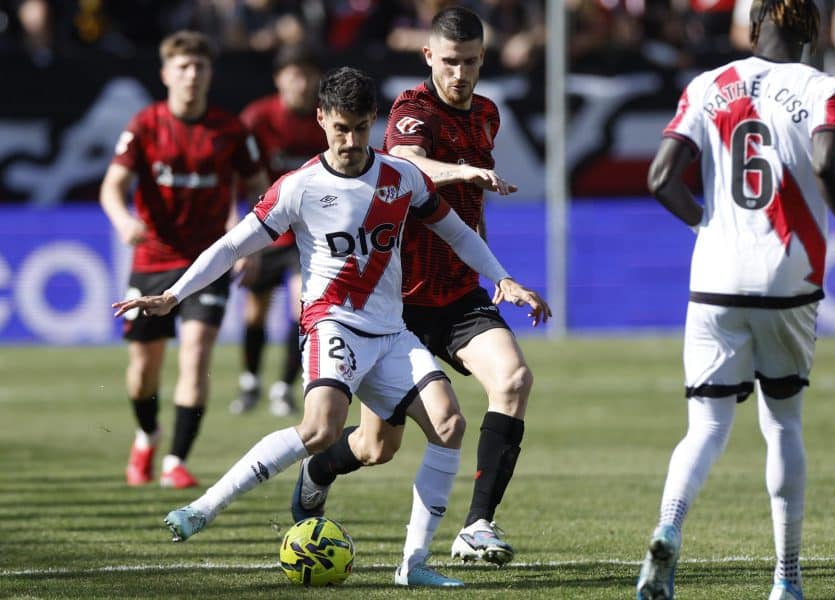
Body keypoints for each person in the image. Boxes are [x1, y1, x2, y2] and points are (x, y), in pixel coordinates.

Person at [111, 66, 549, 587]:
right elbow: (233, 244)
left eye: (361, 128)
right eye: (340, 128)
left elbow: (457, 233)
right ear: (321, 120)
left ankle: (413, 566)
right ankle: (203, 508)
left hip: (390, 334)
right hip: (331, 326)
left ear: (372, 122)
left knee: (448, 424)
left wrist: (504, 278)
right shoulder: (298, 188)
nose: (350, 141)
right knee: (321, 428)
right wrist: (175, 294)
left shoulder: (401, 177)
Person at [634, 1, 835, 599]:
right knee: (782, 424)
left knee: (704, 425)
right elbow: (829, 161)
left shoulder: (710, 84)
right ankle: (786, 581)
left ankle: (668, 530)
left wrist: (705, 226)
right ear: (815, 29)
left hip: (714, 277)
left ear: (754, 27)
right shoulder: (829, 89)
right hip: (788, 276)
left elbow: (658, 179)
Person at [291, 6, 537, 568]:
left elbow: (471, 215)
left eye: (471, 61)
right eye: (450, 61)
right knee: (378, 447)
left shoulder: (488, 115)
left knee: (515, 379)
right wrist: (464, 171)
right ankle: (321, 466)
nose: (460, 73)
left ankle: (476, 526)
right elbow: (409, 163)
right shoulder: (411, 108)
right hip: (396, 304)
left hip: (458, 294)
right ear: (429, 57)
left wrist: (498, 274)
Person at [100, 30, 268, 489]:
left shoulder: (231, 131)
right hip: (152, 261)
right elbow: (112, 185)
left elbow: (258, 190)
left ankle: (175, 460)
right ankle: (147, 435)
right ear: (166, 74)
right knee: (143, 371)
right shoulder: (144, 125)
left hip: (207, 263)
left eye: (200, 67)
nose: (192, 75)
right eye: (183, 67)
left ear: (210, 74)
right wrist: (122, 221)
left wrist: (247, 243)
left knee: (195, 356)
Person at [231, 43, 327, 417]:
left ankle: (284, 386)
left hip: (308, 234)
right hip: (267, 227)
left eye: (307, 74)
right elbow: (238, 175)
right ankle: (250, 380)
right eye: (294, 74)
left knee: (301, 305)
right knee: (255, 311)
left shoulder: (326, 118)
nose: (301, 83)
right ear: (279, 80)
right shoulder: (258, 118)